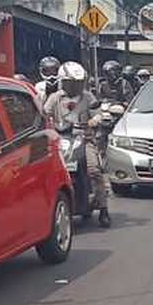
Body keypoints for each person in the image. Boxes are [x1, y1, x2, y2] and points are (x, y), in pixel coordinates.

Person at [44, 61, 110, 227]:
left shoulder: (88, 97)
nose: (75, 86)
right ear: (63, 81)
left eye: (78, 82)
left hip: (84, 138)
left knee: (94, 170)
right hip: (60, 139)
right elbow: (45, 114)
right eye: (72, 82)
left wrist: (94, 120)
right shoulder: (55, 98)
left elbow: (98, 113)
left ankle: (103, 208)